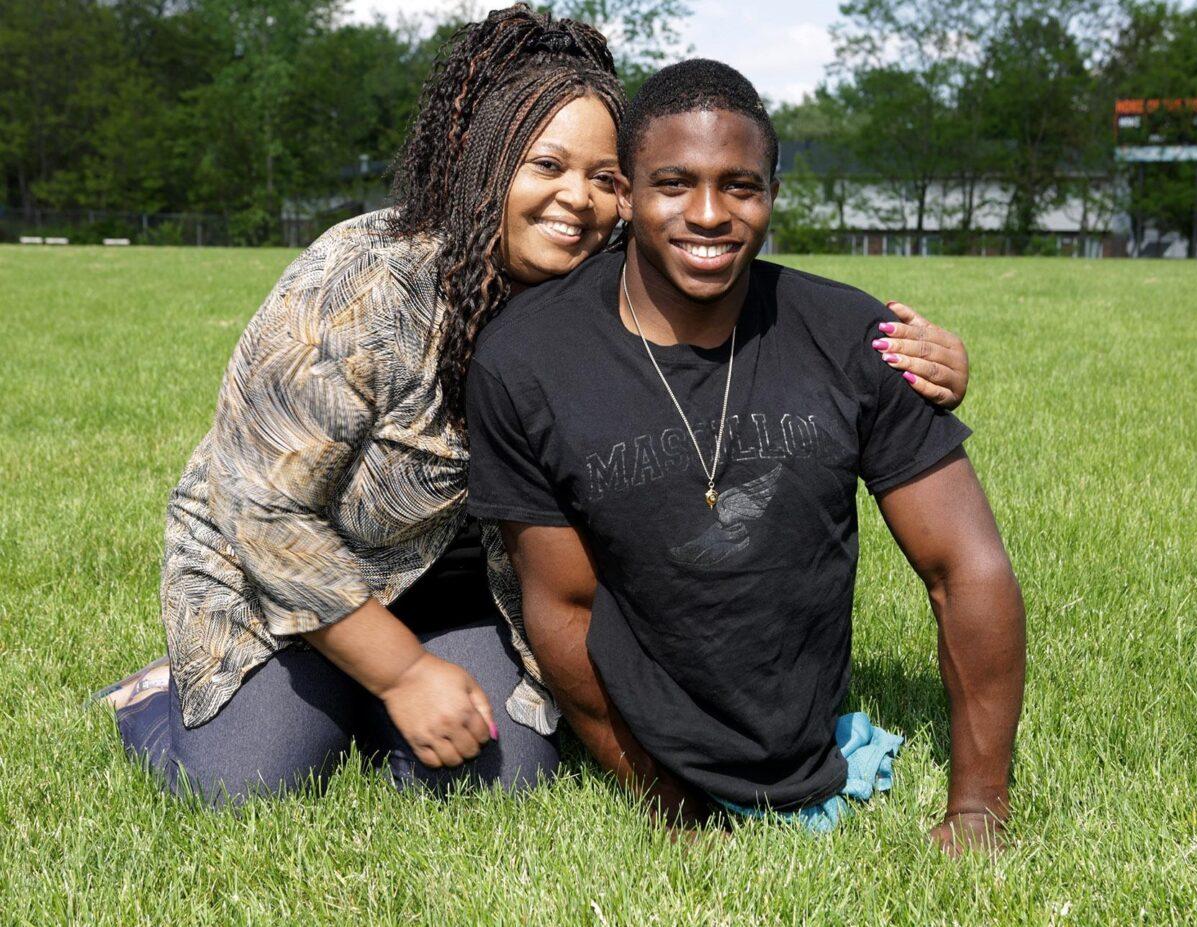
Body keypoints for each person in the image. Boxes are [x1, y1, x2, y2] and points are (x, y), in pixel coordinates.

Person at [100, 7, 972, 806]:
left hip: (467, 595)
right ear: (484, 164)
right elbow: (262, 507)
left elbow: (754, 327)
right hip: (285, 583)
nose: (578, 200)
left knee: (505, 775)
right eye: (546, 166)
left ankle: (367, 705)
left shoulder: (618, 283)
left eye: (603, 178)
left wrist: (903, 362)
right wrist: (401, 674)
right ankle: (163, 697)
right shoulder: (364, 280)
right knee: (245, 786)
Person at [464, 59, 1025, 854]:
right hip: (644, 733)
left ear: (772, 193)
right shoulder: (525, 359)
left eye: (740, 186)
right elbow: (562, 610)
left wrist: (977, 806)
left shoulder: (849, 335)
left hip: (803, 722)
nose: (708, 214)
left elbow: (965, 568)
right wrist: (666, 800)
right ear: (626, 193)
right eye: (673, 183)